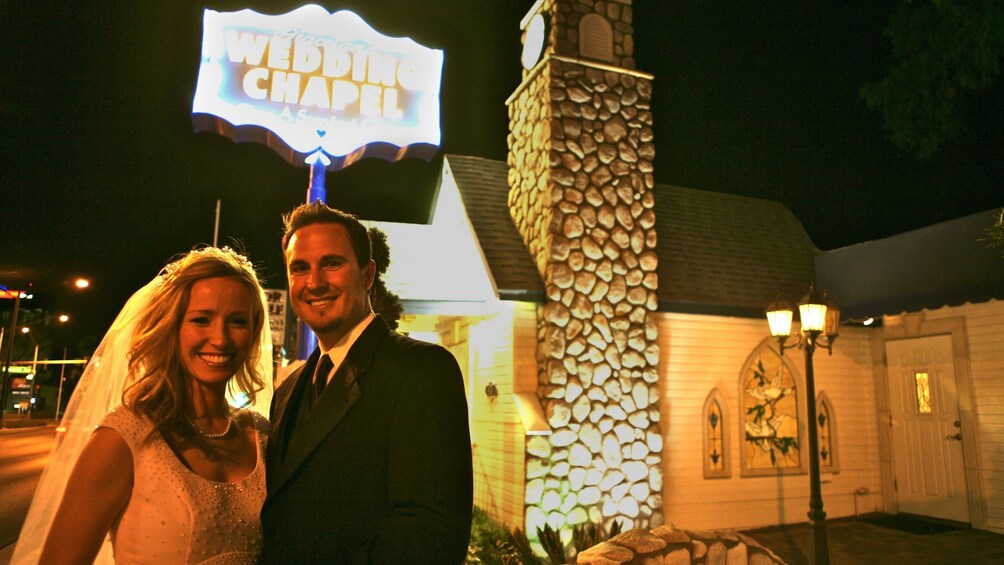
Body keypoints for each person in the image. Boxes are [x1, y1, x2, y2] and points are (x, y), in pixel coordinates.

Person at [11, 246, 273, 565]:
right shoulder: (123, 439)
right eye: (201, 319)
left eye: (237, 322)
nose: (220, 338)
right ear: (170, 328)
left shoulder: (262, 435)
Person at [261, 202, 473, 564]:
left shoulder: (422, 371)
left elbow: (430, 536)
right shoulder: (287, 389)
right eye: (300, 268)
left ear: (367, 274)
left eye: (331, 263)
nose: (314, 282)